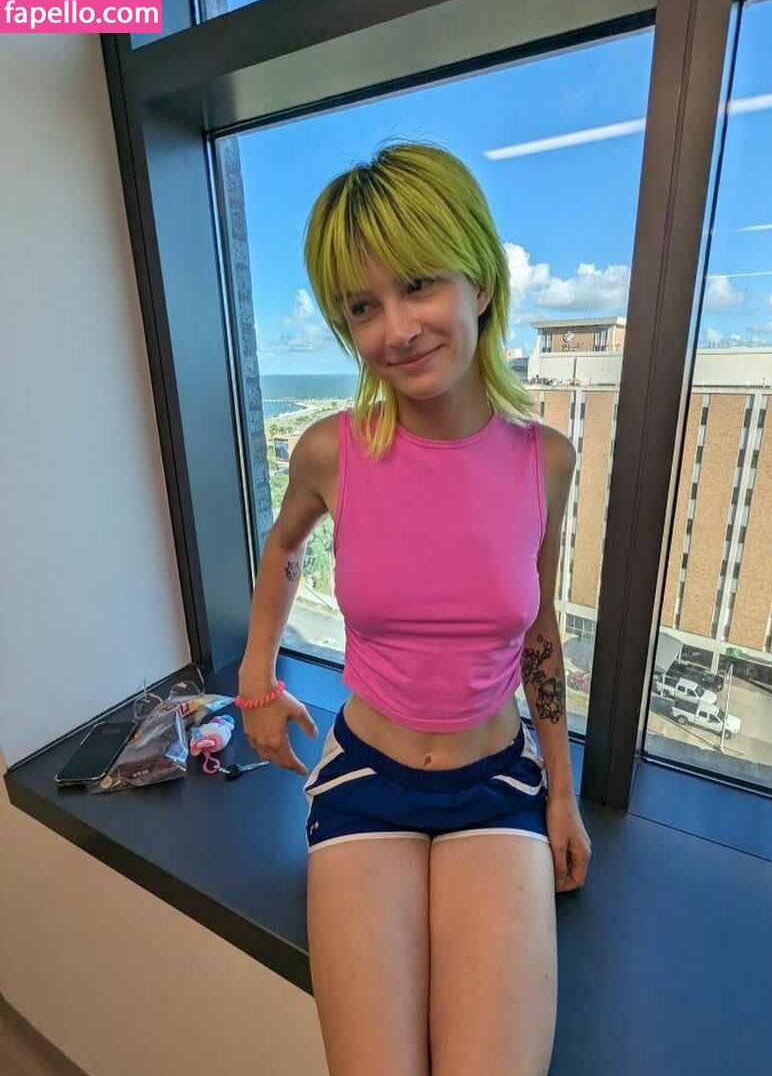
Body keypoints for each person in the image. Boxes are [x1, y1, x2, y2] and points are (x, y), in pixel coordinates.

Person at [236, 140, 592, 1076]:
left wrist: (562, 791)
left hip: (496, 783)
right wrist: (255, 676)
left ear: (480, 281)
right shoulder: (331, 450)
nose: (396, 329)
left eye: (418, 284)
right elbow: (282, 549)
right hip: (365, 777)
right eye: (363, 307)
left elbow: (538, 628)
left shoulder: (545, 462)